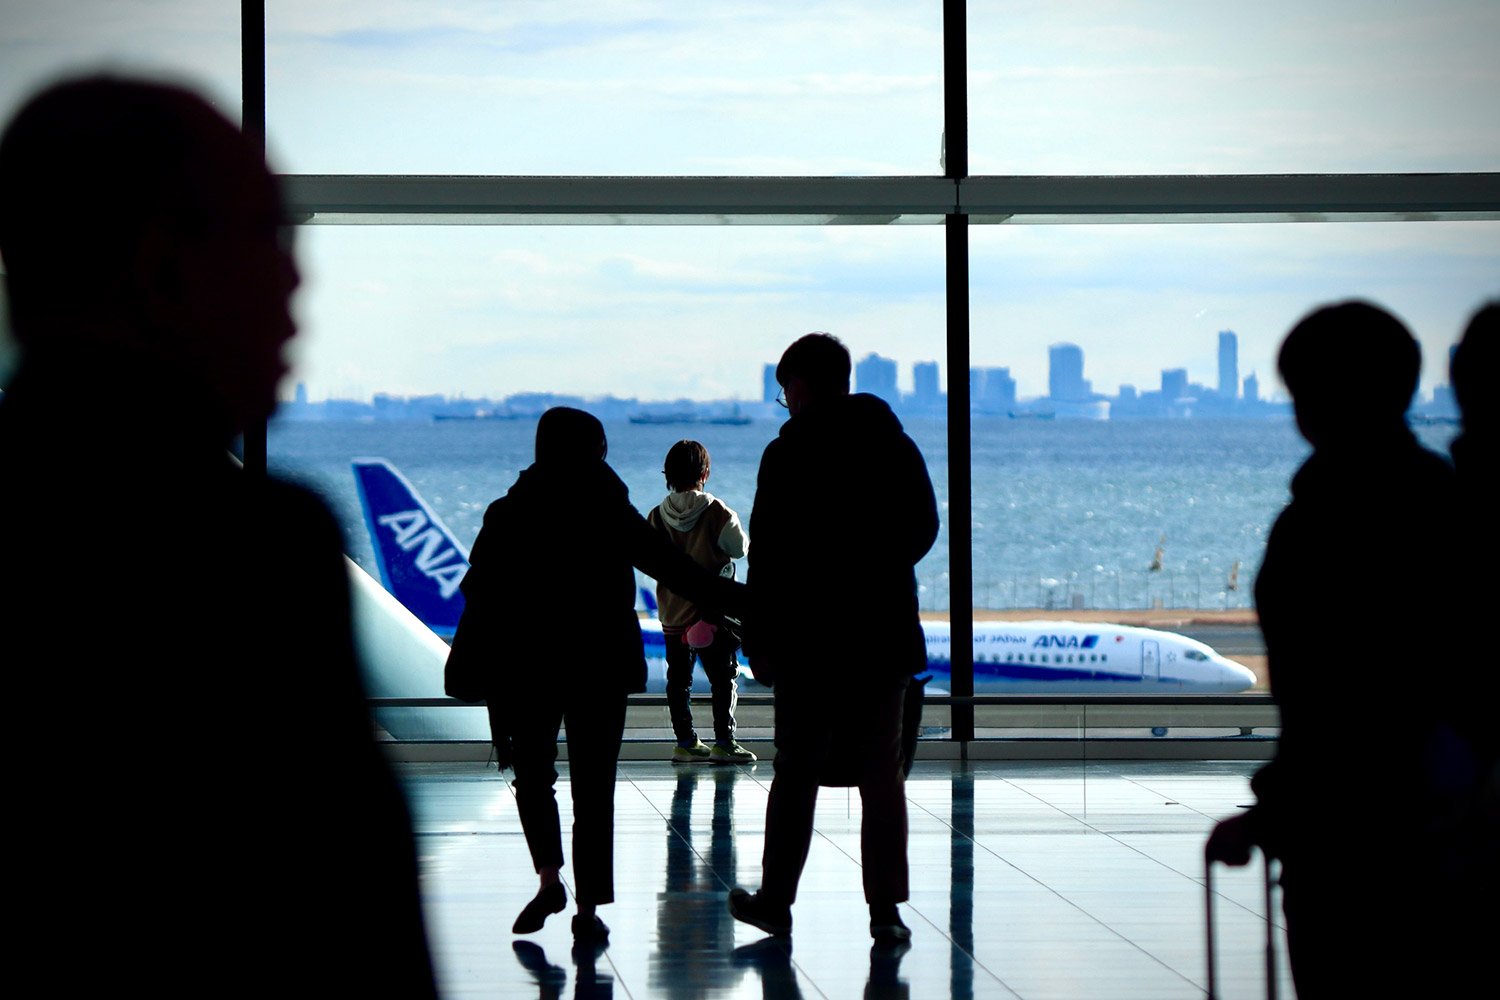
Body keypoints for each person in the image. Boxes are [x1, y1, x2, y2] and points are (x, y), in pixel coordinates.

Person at [0, 78, 437, 993]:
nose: (294, 281)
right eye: (265, 235)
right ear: (163, 264)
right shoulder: (252, 552)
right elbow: (348, 910)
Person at [1205, 302, 1460, 997]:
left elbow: (1337, 707)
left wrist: (1279, 809)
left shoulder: (1318, 524)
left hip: (1346, 845)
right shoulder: (1449, 508)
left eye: (1301, 393)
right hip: (1437, 835)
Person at [453, 407, 743, 944]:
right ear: (596, 450)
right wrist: (745, 602)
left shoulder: (508, 511)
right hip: (599, 667)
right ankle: (588, 910)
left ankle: (548, 879)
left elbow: (477, 588)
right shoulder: (610, 508)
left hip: (527, 666)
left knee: (534, 777)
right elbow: (673, 568)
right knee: (594, 786)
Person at [727, 333, 938, 944]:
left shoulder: (786, 455)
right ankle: (885, 912)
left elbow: (766, 556)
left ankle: (776, 901)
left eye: (784, 390)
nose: (783, 402)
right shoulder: (893, 444)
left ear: (801, 385)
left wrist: (759, 639)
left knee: (795, 772)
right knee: (881, 773)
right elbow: (923, 528)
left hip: (807, 641)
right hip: (882, 633)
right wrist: (876, 568)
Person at [646, 439, 755, 764]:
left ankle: (686, 742)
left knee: (678, 680)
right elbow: (739, 549)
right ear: (705, 472)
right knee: (723, 677)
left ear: (668, 474)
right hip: (712, 612)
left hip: (672, 612)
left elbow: (651, 558)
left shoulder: (656, 516)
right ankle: (724, 741)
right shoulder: (718, 511)